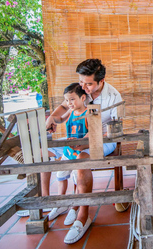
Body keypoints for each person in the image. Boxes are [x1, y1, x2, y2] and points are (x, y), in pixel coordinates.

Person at [44, 59, 122, 244]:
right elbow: (65, 105)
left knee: (81, 157)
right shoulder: (81, 88)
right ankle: (52, 202)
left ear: (101, 82)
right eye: (81, 82)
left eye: (88, 84)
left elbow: (114, 129)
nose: (83, 87)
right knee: (44, 151)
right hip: (77, 138)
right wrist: (53, 118)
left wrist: (88, 142)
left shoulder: (113, 97)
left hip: (104, 140)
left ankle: (82, 215)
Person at [45, 83, 89, 224]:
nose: (69, 103)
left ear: (83, 98)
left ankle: (74, 207)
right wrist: (52, 120)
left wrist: (81, 141)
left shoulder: (88, 113)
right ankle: (61, 202)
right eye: (67, 100)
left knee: (77, 179)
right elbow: (60, 119)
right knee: (61, 176)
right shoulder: (70, 112)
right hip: (68, 151)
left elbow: (91, 132)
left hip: (79, 150)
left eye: (72, 99)